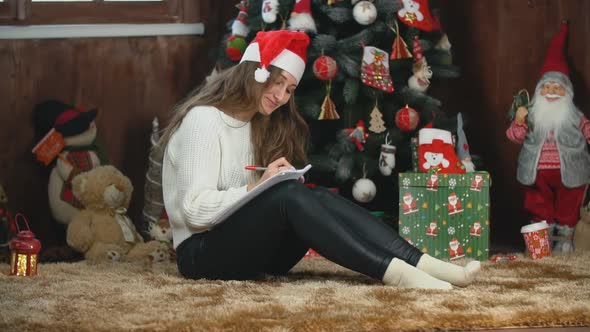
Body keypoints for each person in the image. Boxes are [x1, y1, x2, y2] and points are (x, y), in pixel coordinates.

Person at [159, 30, 480, 289]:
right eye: (277, 81)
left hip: (252, 253)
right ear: (255, 72)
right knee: (287, 195)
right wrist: (258, 187)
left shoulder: (255, 123)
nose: (282, 96)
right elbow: (194, 212)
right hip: (201, 257)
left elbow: (251, 206)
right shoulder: (203, 120)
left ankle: (421, 261)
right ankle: (395, 273)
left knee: (312, 194)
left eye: (289, 88)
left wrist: (266, 186)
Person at [506, 22, 590, 252]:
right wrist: (520, 121)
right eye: (547, 87)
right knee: (537, 202)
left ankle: (564, 240)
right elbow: (514, 136)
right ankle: (540, 239)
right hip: (535, 172)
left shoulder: (574, 115)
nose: (552, 91)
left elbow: (587, 130)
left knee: (569, 201)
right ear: (538, 91)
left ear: (568, 92)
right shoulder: (531, 113)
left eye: (558, 87)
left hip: (571, 171)